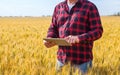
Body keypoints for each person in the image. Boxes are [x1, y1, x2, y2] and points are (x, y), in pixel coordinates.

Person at [44, 0, 103, 74]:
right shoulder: (58, 7)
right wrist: (49, 38)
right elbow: (53, 27)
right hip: (61, 61)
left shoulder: (89, 7)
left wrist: (79, 38)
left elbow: (97, 31)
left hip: (82, 62)